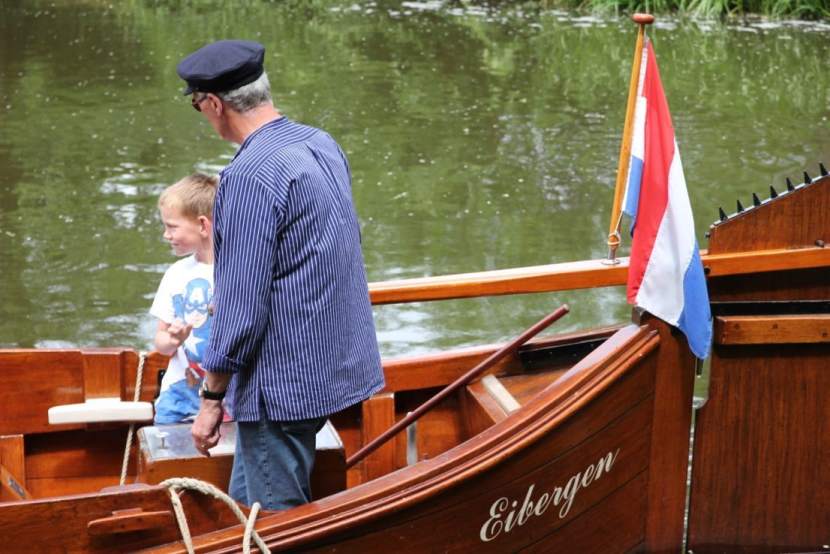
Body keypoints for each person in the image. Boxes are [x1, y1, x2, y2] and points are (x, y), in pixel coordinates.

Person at [178, 40, 385, 511]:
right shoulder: (319, 143)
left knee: (274, 522)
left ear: (213, 103)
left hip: (281, 384)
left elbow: (241, 306)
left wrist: (211, 399)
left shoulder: (249, 174)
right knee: (245, 510)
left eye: (198, 105)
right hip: (332, 366)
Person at [150, 173, 218, 424]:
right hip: (179, 396)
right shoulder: (175, 274)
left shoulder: (237, 273)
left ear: (202, 225)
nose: (166, 235)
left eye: (172, 226)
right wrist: (173, 339)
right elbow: (161, 342)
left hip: (228, 397)